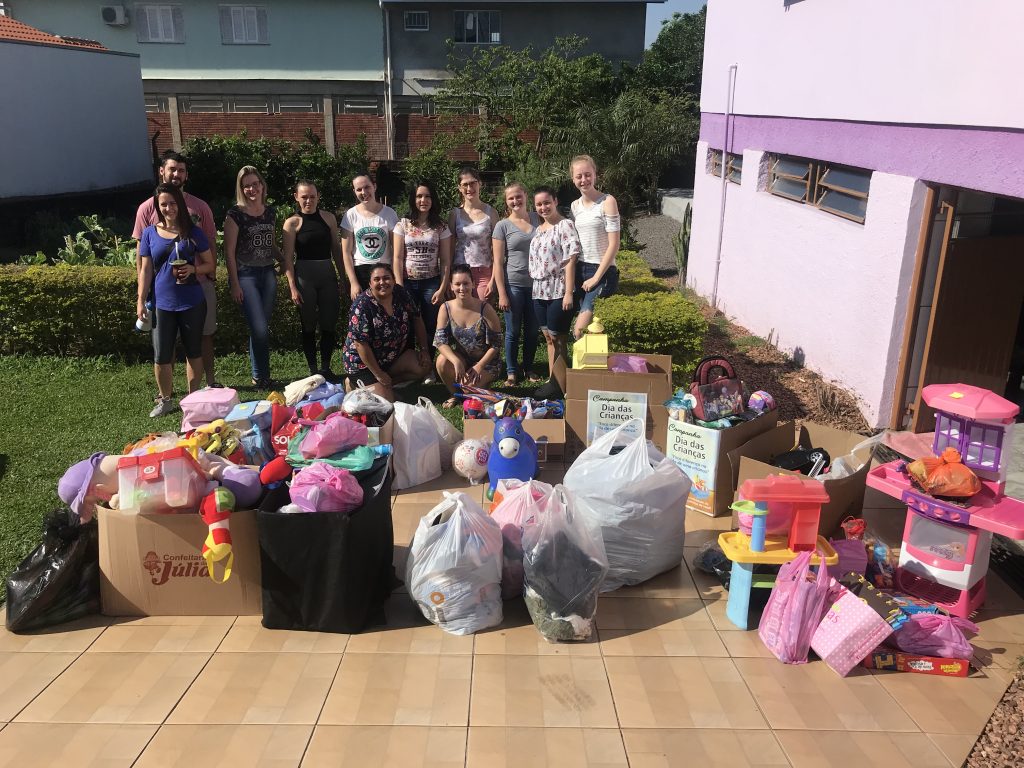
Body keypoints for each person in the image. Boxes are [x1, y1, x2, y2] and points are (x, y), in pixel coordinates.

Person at [132, 150, 220, 387]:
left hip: (198, 287)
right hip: (162, 291)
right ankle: (166, 394)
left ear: (186, 175)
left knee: (202, 339)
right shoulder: (146, 210)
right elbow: (143, 260)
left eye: (181, 170)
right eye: (172, 169)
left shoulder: (199, 208)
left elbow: (210, 244)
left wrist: (207, 273)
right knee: (164, 344)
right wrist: (143, 295)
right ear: (162, 171)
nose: (176, 174)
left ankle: (207, 386)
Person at [136, 183, 215, 417]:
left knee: (193, 352)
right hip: (162, 303)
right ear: (157, 207)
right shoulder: (149, 233)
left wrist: (193, 269)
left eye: (172, 203)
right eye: (163, 204)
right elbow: (145, 270)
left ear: (179, 204)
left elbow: (210, 264)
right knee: (161, 355)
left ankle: (192, 399)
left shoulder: (194, 233)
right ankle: (166, 400)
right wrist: (140, 300)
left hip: (192, 301)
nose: (168, 208)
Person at [282, 180, 345, 379]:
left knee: (328, 323)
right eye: (304, 197)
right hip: (304, 277)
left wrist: (343, 278)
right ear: (296, 197)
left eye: (312, 196)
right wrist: (292, 286)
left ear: (318, 197)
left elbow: (336, 250)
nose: (308, 201)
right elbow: (287, 258)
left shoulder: (329, 218)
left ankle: (326, 368)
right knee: (308, 325)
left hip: (327, 275)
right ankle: (313, 370)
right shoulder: (292, 223)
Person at [342, 263, 430, 401]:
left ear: (394, 280)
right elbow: (360, 344)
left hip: (390, 358)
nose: (382, 282)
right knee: (385, 403)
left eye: (386, 278)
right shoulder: (362, 305)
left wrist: (424, 349)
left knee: (423, 366)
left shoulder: (401, 293)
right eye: (377, 279)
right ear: (370, 284)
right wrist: (378, 373)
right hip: (363, 364)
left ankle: (386, 385)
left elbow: (417, 318)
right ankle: (354, 383)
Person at [223, 165, 277, 388]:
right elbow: (229, 252)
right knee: (259, 328)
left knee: (261, 326)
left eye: (255, 184)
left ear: (262, 185)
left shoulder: (270, 212)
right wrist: (235, 283)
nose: (252, 189)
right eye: (247, 186)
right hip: (246, 276)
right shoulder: (235, 215)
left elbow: (270, 244)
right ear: (241, 189)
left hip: (268, 273)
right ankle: (260, 375)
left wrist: (285, 260)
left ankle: (261, 375)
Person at [393, 180, 452, 381]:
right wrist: (399, 286)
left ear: (433, 199)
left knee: (431, 325)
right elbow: (397, 258)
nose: (423, 200)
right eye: (419, 196)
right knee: (407, 325)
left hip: (431, 283)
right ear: (413, 199)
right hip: (407, 282)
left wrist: (442, 288)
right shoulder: (403, 224)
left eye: (427, 196)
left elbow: (445, 260)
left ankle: (429, 367)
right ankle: (410, 367)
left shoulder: (441, 227)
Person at [529, 186, 580, 399]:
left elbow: (570, 260)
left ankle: (562, 385)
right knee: (548, 338)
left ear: (555, 201)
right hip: (539, 290)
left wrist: (568, 293)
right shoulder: (539, 229)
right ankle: (553, 381)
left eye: (547, 202)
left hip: (558, 289)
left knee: (559, 338)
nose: (543, 207)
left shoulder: (565, 225)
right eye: (539, 204)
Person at [492, 182, 542, 385]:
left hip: (538, 284)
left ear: (526, 195)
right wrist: (502, 293)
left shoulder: (538, 218)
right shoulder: (502, 226)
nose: (515, 201)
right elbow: (497, 262)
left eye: (518, 196)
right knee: (513, 331)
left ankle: (528, 368)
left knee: (532, 330)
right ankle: (511, 371)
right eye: (511, 198)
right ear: (506, 201)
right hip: (513, 284)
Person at [434, 264, 503, 407]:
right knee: (441, 361)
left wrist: (479, 366)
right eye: (457, 284)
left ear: (473, 284)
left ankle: (479, 387)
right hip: (462, 359)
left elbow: (496, 344)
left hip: (487, 362)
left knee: (467, 389)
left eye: (466, 283)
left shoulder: (485, 309)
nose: (462, 288)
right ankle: (454, 395)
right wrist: (456, 361)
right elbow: (440, 341)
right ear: (451, 286)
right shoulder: (445, 308)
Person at [570, 154, 621, 340]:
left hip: (602, 272)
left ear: (595, 175)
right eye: (579, 176)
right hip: (580, 269)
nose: (584, 180)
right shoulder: (574, 206)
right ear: (573, 179)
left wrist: (596, 277)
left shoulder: (607, 202)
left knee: (579, 331)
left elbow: (614, 244)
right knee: (590, 333)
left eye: (588, 174)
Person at [341, 173, 399, 298]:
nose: (364, 192)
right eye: (359, 189)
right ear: (354, 191)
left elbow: (396, 250)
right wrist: (353, 282)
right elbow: (346, 253)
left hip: (384, 270)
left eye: (367, 187)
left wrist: (395, 276)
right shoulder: (350, 215)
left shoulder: (389, 213)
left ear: (374, 187)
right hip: (361, 272)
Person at [449, 166, 498, 300]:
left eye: (473, 183)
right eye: (465, 184)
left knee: (483, 308)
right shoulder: (455, 214)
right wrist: (448, 277)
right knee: (461, 310)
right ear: (459, 188)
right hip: (460, 273)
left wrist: (494, 279)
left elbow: (496, 249)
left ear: (480, 184)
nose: (469, 188)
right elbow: (450, 249)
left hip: (483, 272)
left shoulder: (491, 213)